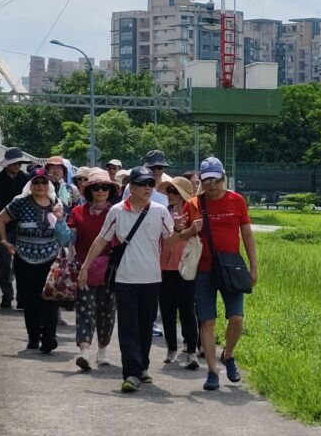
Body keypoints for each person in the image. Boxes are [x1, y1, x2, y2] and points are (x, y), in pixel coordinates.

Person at [79, 166, 173, 393]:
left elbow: (171, 240)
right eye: (142, 184)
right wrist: (84, 268)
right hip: (124, 279)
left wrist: (186, 231)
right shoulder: (117, 211)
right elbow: (101, 240)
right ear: (131, 187)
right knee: (128, 326)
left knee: (145, 325)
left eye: (151, 184)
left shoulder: (161, 211)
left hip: (152, 279)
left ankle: (142, 366)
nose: (148, 188)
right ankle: (131, 372)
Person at [179, 156, 257, 391]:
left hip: (231, 268)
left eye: (216, 179)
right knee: (207, 322)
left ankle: (229, 355)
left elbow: (247, 235)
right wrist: (189, 229)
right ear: (201, 181)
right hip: (203, 270)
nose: (212, 185)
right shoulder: (193, 204)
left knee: (237, 317)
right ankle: (212, 371)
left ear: (223, 178)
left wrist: (254, 266)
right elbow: (181, 236)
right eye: (207, 180)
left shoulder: (237, 201)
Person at [0, 166, 71, 354]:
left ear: (49, 184)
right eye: (36, 182)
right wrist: (4, 241)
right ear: (31, 184)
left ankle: (49, 336)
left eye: (44, 182)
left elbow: (64, 234)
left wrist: (60, 219)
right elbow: (0, 219)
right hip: (24, 258)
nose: (40, 186)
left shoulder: (56, 203)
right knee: (30, 300)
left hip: (50, 258)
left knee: (49, 298)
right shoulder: (20, 203)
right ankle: (34, 337)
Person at [69, 174, 118, 370]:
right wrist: (57, 220)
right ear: (89, 190)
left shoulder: (116, 212)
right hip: (85, 268)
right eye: (96, 187)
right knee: (85, 309)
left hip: (110, 269)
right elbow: (68, 237)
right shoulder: (78, 211)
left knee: (107, 310)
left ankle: (103, 349)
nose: (100, 191)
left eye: (104, 187)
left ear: (110, 191)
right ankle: (85, 352)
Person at [159, 176, 200, 369]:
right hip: (165, 267)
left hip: (187, 266)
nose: (170, 195)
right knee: (167, 309)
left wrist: (189, 229)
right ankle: (171, 348)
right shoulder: (163, 213)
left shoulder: (193, 213)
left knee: (187, 309)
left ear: (184, 194)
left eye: (174, 192)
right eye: (168, 191)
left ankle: (191, 350)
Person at [0, 148, 33, 309]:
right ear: (7, 164)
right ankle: (7, 295)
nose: (17, 165)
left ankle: (22, 297)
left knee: (21, 264)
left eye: (20, 163)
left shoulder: (26, 179)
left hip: (22, 227)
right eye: (15, 163)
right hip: (2, 226)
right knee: (5, 263)